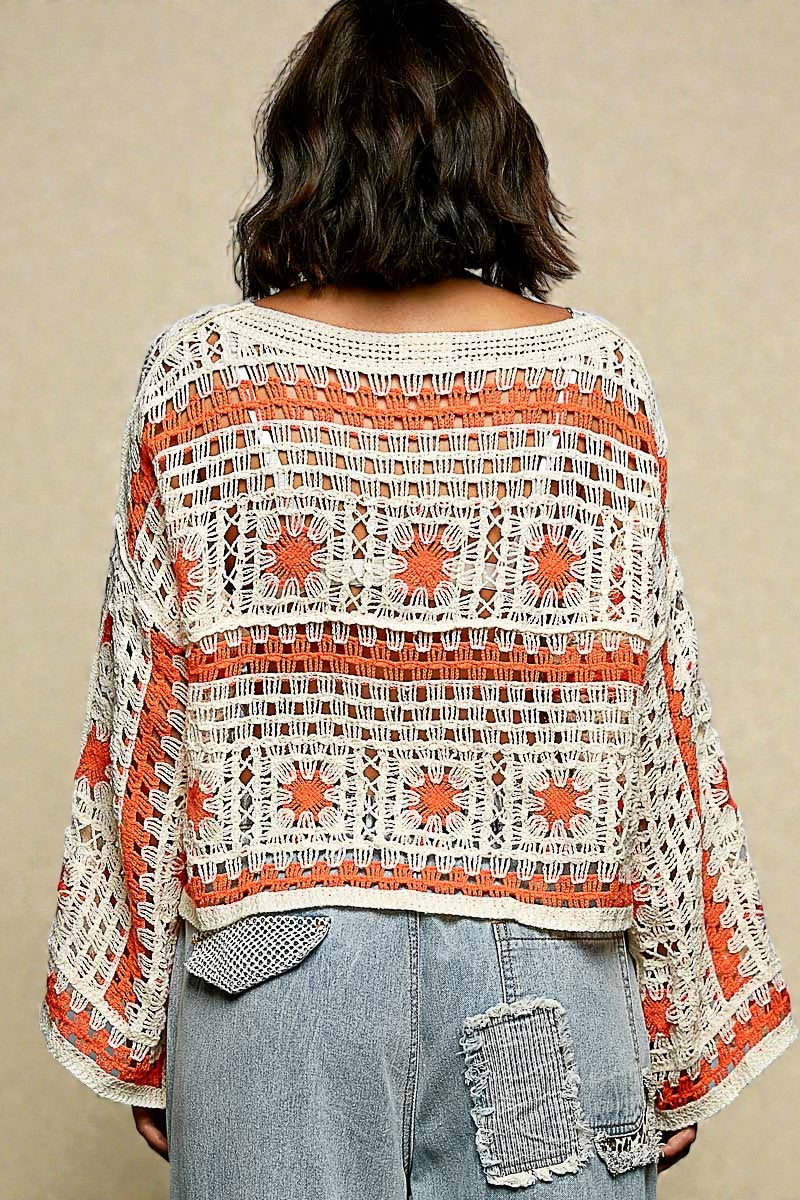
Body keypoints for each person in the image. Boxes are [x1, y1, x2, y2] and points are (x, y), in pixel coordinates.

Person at [39, 1, 797, 1196]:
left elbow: (147, 711)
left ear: (300, 157)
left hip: (270, 982)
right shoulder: (591, 382)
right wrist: (679, 1031)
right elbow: (655, 711)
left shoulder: (203, 378)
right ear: (498, 161)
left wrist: (134, 1031)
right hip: (537, 978)